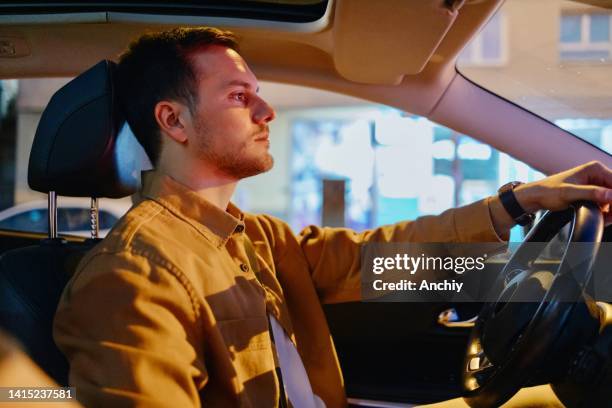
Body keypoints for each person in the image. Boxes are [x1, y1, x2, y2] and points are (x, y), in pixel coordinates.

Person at [53, 27, 612, 408]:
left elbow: (380, 258)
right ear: (173, 120)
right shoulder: (132, 277)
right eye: (239, 96)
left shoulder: (255, 237)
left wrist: (520, 202)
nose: (265, 110)